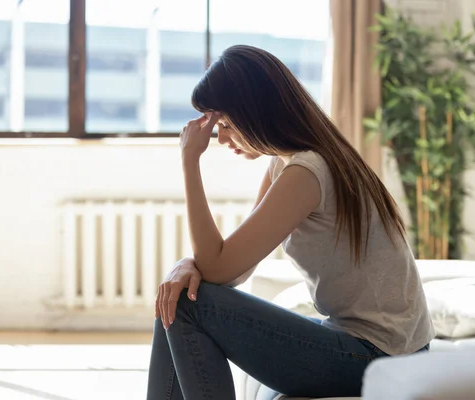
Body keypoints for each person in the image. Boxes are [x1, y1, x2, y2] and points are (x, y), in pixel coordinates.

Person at [146, 45, 434, 400]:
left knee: (188, 303)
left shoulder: (307, 171)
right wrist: (183, 266)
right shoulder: (287, 164)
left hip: (383, 355)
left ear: (255, 113)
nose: (221, 138)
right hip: (369, 343)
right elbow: (234, 269)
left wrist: (190, 161)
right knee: (173, 299)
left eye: (225, 124)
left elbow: (218, 269)